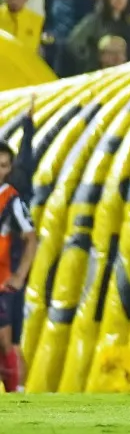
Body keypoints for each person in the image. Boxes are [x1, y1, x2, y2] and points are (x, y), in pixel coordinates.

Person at [0, 137, 37, 393]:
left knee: (7, 343)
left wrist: (20, 275)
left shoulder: (12, 201)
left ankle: (17, 394)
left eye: (4, 166)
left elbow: (31, 238)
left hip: (2, 282)